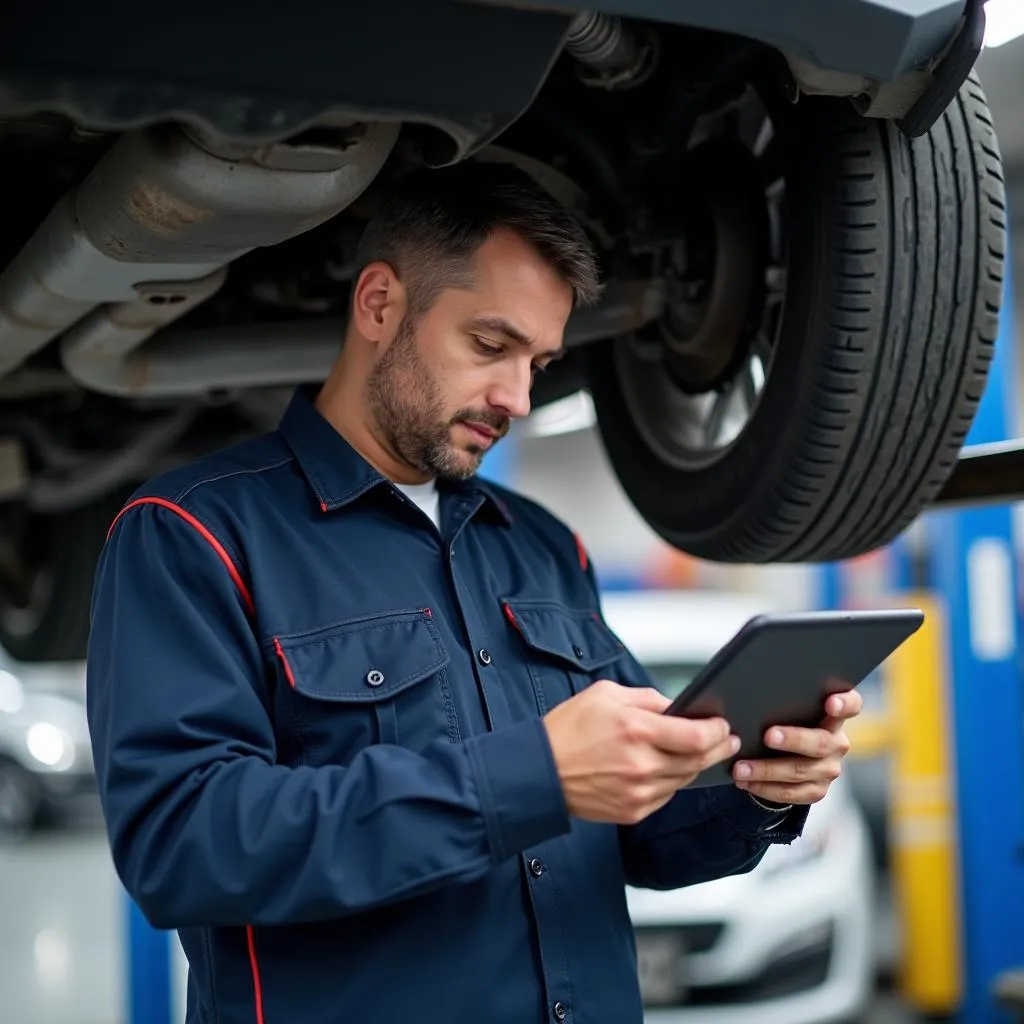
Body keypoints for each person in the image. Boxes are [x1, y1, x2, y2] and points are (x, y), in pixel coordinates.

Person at [86, 161, 862, 1024]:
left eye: (540, 361)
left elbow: (638, 834)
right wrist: (530, 777)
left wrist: (757, 786)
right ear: (379, 304)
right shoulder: (195, 533)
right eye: (491, 346)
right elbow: (183, 848)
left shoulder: (540, 545)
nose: (519, 397)